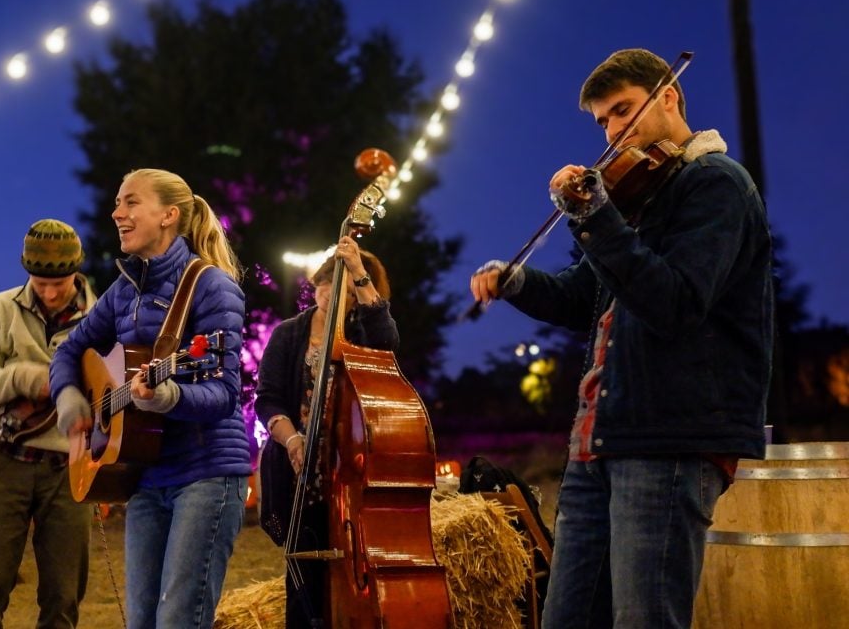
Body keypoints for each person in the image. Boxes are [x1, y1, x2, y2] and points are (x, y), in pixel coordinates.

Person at [470, 48, 774, 628]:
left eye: (622, 111)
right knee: (566, 619)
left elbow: (676, 303)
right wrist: (517, 282)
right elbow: (583, 296)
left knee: (644, 619)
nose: (611, 131)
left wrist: (593, 217)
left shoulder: (716, 186)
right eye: (603, 121)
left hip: (668, 437)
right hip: (601, 440)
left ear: (669, 96)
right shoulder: (642, 198)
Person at [49, 168, 250, 629]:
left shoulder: (212, 287)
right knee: (139, 620)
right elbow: (71, 349)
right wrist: (70, 400)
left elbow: (223, 393)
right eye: (118, 202)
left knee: (179, 618)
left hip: (206, 472)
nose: (117, 212)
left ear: (168, 215)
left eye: (131, 202)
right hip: (144, 473)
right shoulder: (124, 290)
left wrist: (167, 396)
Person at [0, 219, 97, 628]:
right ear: (26, 272)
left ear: (77, 269)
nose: (51, 292)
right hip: (4, 457)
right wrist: (26, 378)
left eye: (61, 282)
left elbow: (111, 386)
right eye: (40, 283)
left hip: (70, 467)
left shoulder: (101, 316)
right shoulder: (0, 310)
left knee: (63, 600)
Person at [254, 237, 397, 628]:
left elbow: (388, 343)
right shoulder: (287, 334)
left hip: (352, 471)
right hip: (299, 468)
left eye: (345, 288)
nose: (331, 292)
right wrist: (292, 439)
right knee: (303, 584)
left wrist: (360, 274)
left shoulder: (364, 332)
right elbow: (267, 400)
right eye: (324, 282)